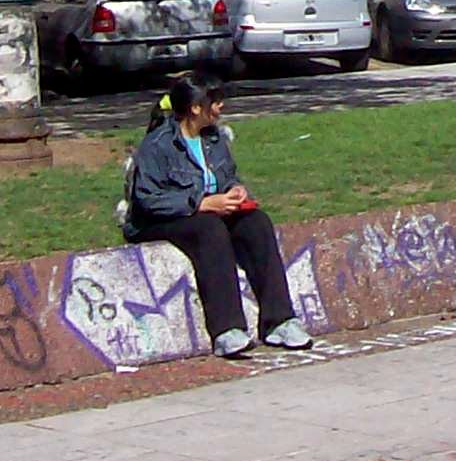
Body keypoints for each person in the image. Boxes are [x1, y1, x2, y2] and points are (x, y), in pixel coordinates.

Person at [124, 76, 314, 358]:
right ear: (195, 108)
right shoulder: (158, 145)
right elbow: (148, 198)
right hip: (162, 219)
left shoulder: (214, 139)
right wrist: (200, 204)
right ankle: (227, 330)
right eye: (215, 101)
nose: (221, 107)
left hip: (211, 210)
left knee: (257, 223)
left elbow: (227, 177)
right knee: (210, 230)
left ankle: (280, 321)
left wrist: (235, 191)